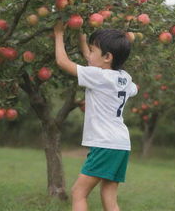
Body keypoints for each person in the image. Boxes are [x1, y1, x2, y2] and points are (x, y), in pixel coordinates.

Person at [54, 21, 138, 211]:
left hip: (105, 143)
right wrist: (83, 39)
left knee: (78, 193)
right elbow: (93, 62)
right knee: (109, 198)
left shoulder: (99, 77)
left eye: (93, 50)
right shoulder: (124, 77)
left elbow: (62, 62)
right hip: (121, 144)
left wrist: (59, 34)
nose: (89, 55)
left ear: (108, 57)